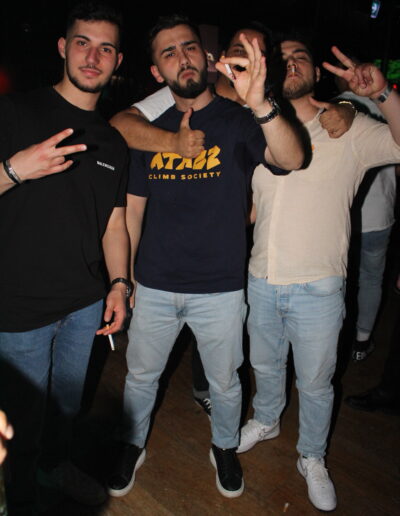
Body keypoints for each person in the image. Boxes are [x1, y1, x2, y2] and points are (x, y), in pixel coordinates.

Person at [107, 14, 304, 500]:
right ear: (157, 71)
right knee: (141, 377)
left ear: (206, 56)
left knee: (225, 382)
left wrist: (261, 105)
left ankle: (224, 445)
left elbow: (291, 159)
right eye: (169, 53)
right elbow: (133, 211)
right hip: (155, 282)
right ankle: (131, 444)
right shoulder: (148, 131)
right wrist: (127, 281)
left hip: (220, 287)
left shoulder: (238, 120)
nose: (182, 58)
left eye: (189, 47)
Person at [235, 37, 400, 511]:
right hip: (261, 278)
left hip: (319, 286)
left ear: (317, 72)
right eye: (282, 59)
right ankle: (267, 419)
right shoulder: (255, 126)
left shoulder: (350, 128)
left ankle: (311, 455)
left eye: (300, 57)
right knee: (265, 366)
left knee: (315, 383)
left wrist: (381, 94)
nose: (290, 64)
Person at [0, 2, 130, 512]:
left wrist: (119, 284)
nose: (92, 57)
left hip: (84, 306)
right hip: (20, 310)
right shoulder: (14, 112)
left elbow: (114, 223)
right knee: (21, 424)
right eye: (82, 43)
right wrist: (14, 170)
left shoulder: (113, 142)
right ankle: (22, 499)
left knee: (66, 409)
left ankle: (53, 470)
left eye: (105, 48)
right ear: (62, 47)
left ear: (117, 62)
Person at [335, 66, 397, 362]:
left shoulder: (329, 109)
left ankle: (336, 339)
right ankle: (361, 342)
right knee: (371, 279)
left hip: (341, 215)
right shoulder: (389, 107)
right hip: (379, 213)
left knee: (340, 281)